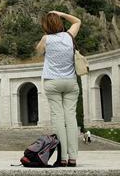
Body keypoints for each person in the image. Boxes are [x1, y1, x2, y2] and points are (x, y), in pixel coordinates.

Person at [36, 10, 81, 167]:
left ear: (45, 26)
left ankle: (62, 158)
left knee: (58, 119)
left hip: (52, 82)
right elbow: (77, 21)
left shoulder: (46, 39)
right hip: (70, 81)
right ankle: (73, 157)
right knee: (71, 118)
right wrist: (60, 14)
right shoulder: (69, 36)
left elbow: (38, 51)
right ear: (60, 23)